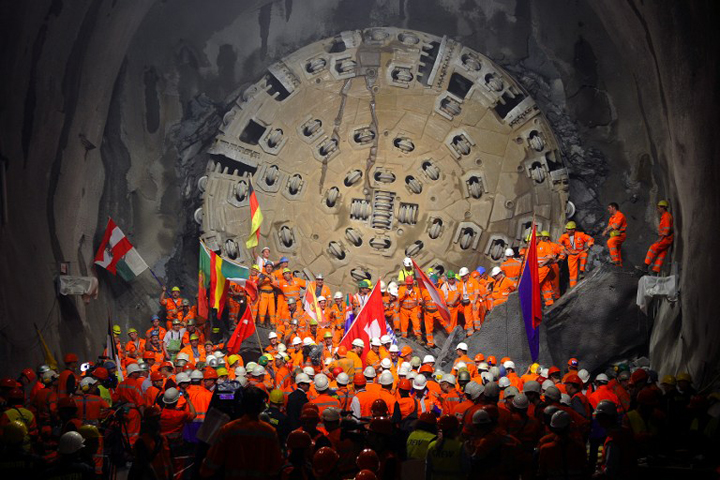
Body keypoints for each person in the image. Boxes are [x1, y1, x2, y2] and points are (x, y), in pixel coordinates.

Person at [201, 386, 282, 479]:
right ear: (262, 407)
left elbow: (210, 465)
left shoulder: (228, 430)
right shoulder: (269, 432)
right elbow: (276, 466)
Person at [639, 200, 674, 274]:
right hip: (668, 239)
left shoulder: (666, 216)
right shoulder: (665, 216)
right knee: (661, 254)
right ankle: (655, 271)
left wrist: (660, 239)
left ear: (663, 208)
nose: (658, 209)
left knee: (652, 248)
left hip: (666, 238)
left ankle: (645, 266)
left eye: (659, 208)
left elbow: (667, 229)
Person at [559, 221, 594, 287]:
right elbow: (559, 244)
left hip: (580, 252)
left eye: (569, 229)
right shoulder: (564, 236)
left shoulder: (580, 235)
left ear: (573, 230)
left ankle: (581, 272)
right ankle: (572, 287)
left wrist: (589, 245)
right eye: (567, 229)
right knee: (572, 273)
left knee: (584, 255)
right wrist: (565, 250)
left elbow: (590, 239)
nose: (567, 230)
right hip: (571, 255)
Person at [603, 202, 628, 266]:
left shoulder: (620, 215)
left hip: (621, 235)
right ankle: (619, 264)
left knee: (610, 242)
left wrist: (606, 231)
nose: (608, 209)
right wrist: (606, 230)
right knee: (617, 249)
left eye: (609, 208)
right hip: (615, 235)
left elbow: (615, 226)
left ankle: (615, 260)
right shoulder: (611, 218)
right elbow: (609, 226)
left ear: (614, 208)